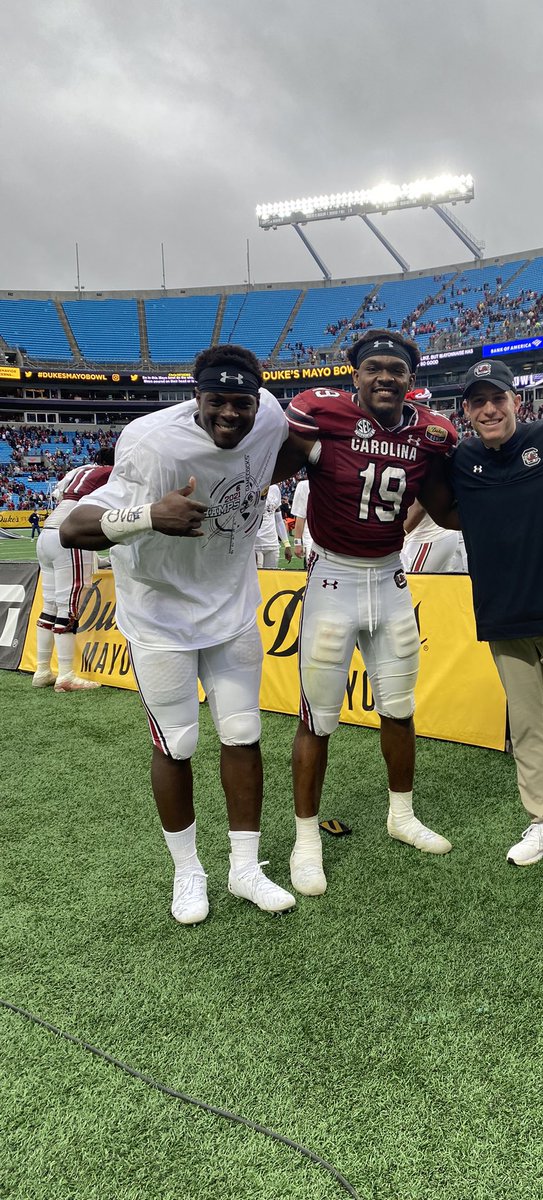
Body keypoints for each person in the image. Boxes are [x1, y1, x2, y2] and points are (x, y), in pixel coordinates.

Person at [59, 344, 296, 925]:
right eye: (217, 402)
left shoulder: (269, 413)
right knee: (178, 742)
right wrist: (148, 516)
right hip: (161, 614)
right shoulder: (151, 442)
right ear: (197, 396)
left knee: (242, 732)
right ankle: (188, 871)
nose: (230, 415)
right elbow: (72, 527)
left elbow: (288, 452)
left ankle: (246, 867)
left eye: (240, 402)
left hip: (232, 607)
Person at [282, 329, 458, 896]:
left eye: (398, 369)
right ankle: (305, 836)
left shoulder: (431, 432)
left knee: (401, 707)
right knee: (319, 716)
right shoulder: (320, 414)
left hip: (390, 577)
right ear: (354, 373)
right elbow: (269, 461)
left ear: (412, 377)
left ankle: (401, 815)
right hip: (332, 576)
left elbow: (446, 512)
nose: (386, 377)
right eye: (375, 368)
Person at [428, 358, 543, 880]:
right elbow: (438, 505)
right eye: (478, 402)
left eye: (498, 399)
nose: (489, 409)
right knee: (528, 730)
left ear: (516, 402)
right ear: (465, 411)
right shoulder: (461, 458)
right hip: (504, 616)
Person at [33, 448, 114, 691]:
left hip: (47, 534)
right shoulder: (111, 473)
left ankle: (42, 670)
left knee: (50, 606)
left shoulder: (77, 471)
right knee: (68, 608)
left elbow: (62, 496)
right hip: (70, 536)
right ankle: (66, 675)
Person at [255, 483, 293, 568]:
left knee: (271, 578)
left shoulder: (275, 489)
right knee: (257, 579)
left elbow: (278, 520)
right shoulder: (252, 486)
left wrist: (287, 544)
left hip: (272, 544)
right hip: (256, 544)